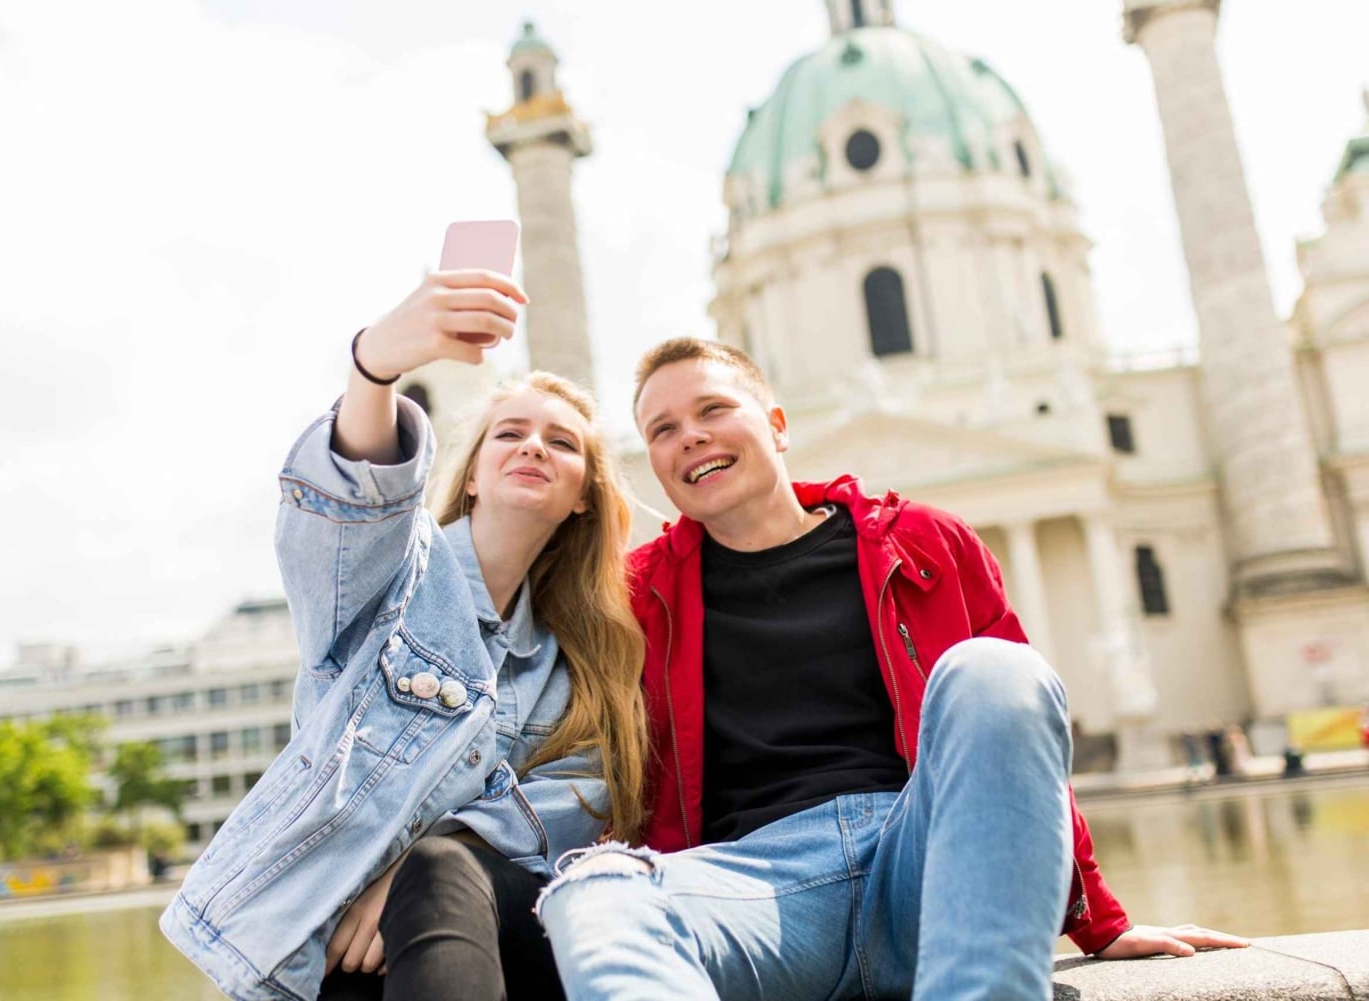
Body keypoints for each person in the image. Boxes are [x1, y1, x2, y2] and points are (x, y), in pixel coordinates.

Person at [534, 339, 1249, 1000]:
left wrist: (1098, 918)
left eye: (713, 408)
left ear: (777, 425)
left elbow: (1015, 731)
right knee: (590, 891)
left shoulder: (926, 542)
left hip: (930, 864)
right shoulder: (634, 595)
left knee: (996, 670)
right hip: (759, 889)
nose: (689, 433)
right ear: (654, 462)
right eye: (661, 428)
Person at [161, 270, 647, 1001]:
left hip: (481, 926)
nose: (533, 447)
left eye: (562, 442)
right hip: (318, 950)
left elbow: (570, 808)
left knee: (445, 870)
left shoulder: (583, 661)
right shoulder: (391, 577)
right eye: (509, 433)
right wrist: (375, 366)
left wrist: (414, 866)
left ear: (583, 497)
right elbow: (349, 508)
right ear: (474, 473)